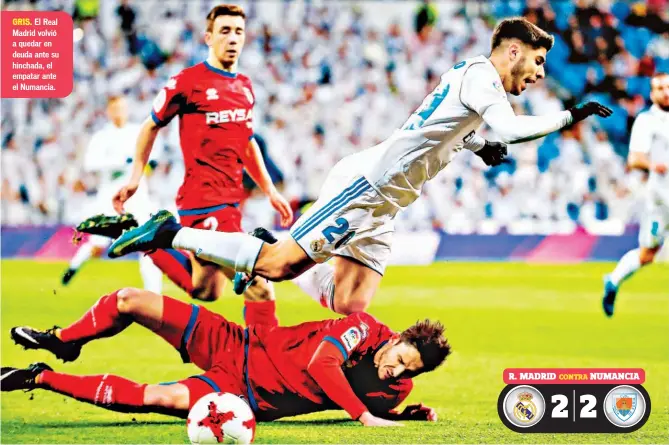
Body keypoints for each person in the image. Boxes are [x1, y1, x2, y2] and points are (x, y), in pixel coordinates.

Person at [108, 17, 613, 315]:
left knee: (349, 304)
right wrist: (572, 114)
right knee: (279, 267)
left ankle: (261, 245)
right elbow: (507, 128)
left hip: (387, 203)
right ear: (512, 50)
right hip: (368, 185)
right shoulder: (483, 76)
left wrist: (476, 146)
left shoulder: (476, 82)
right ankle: (171, 234)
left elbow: (442, 127)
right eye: (537, 63)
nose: (541, 74)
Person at [4, 287, 449, 426]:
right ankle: (65, 340)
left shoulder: (395, 389)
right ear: (397, 338)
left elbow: (379, 402)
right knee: (128, 300)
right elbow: (322, 363)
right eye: (402, 357)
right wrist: (362, 417)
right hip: (235, 342)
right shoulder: (366, 327)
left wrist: (405, 416)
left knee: (159, 398)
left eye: (410, 371)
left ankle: (39, 378)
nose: (397, 370)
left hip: (241, 396)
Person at [95, 5, 294, 309]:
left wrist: (270, 190)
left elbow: (246, 142)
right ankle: (261, 356)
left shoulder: (244, 87)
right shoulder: (187, 82)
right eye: (224, 31)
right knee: (260, 289)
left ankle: (149, 237)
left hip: (230, 200)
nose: (232, 38)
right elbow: (151, 125)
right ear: (208, 37)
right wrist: (135, 177)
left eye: (238, 31)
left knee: (205, 291)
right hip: (203, 201)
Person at [61, 95, 164, 294]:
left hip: (137, 195)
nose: (119, 112)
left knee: (149, 242)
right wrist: (120, 161)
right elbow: (91, 163)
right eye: (115, 109)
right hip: (110, 196)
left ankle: (154, 292)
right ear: (109, 112)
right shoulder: (102, 137)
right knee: (98, 245)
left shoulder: (138, 131)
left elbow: (153, 155)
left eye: (122, 108)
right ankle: (73, 267)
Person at [602, 72, 669, 317]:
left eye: (668, 87)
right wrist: (654, 165)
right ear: (652, 93)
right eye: (660, 88)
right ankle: (613, 280)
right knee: (648, 253)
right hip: (661, 200)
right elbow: (634, 158)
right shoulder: (647, 121)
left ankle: (613, 279)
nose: (665, 92)